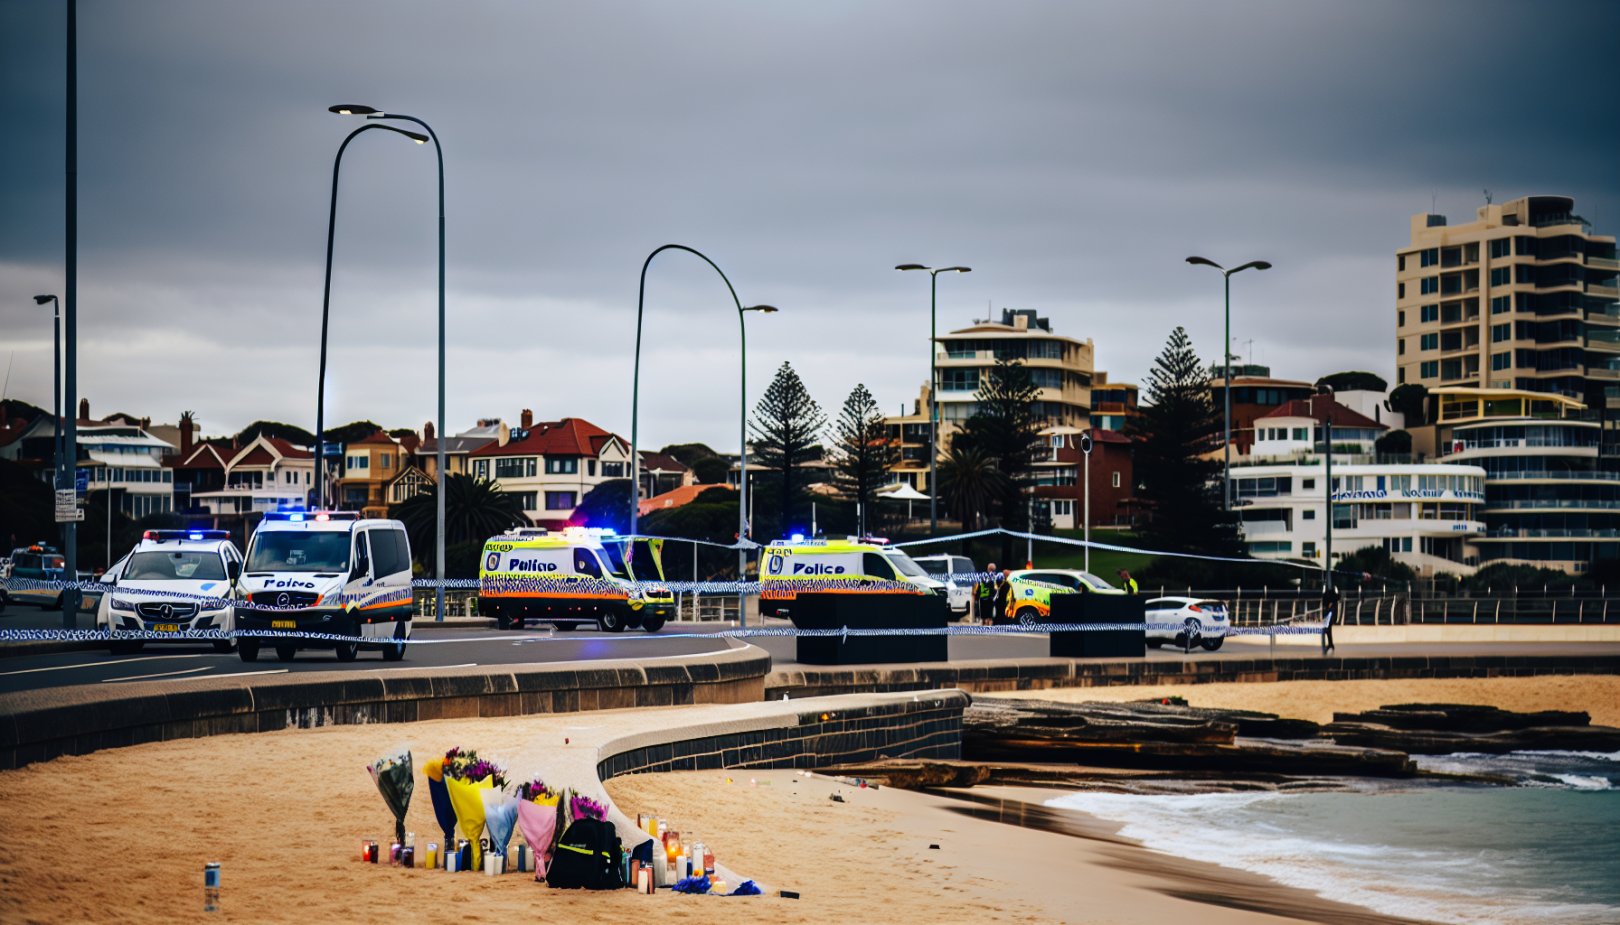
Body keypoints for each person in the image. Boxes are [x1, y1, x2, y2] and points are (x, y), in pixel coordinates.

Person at [1321, 583, 1341, 656]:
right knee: (1327, 629)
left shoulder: (1333, 594)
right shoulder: (1328, 594)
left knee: (1328, 628)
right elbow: (1324, 602)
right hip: (1329, 613)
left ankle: (1330, 644)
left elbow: (1337, 598)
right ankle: (1330, 644)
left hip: (1331, 614)